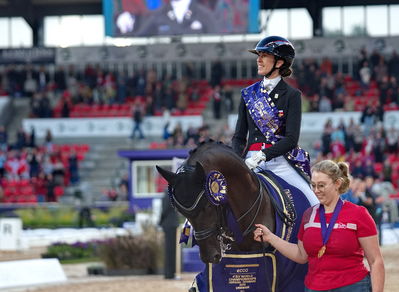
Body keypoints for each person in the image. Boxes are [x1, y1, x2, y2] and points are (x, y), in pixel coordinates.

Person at [253, 160, 385, 292]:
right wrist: (270, 237)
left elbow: (375, 261)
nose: (316, 191)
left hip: (353, 287)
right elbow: (301, 255)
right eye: (313, 185)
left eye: (321, 186)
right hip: (314, 288)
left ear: (337, 184)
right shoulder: (309, 215)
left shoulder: (358, 214)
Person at [231, 35, 318, 206]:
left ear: (279, 63)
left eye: (264, 56)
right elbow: (239, 136)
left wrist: (263, 155)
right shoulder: (248, 94)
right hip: (249, 160)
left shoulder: (292, 95)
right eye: (258, 56)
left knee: (313, 200)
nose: (259, 60)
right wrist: (237, 160)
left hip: (279, 161)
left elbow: (291, 139)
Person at [136, 0, 219, 36]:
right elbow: (139, 41)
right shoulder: (158, 15)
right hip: (166, 69)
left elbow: (217, 44)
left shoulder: (204, 15)